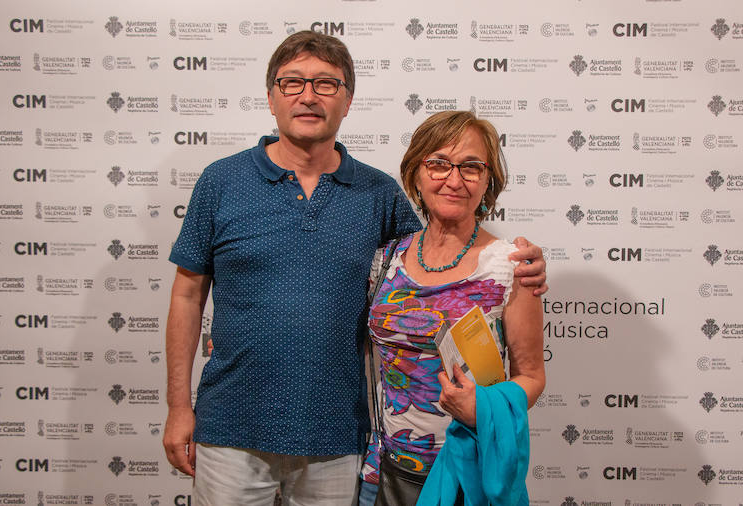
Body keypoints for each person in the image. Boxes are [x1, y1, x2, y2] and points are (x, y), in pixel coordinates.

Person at [162, 31, 547, 505]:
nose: (308, 95)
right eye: (292, 83)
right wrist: (179, 407)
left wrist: (523, 268)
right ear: (270, 97)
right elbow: (185, 295)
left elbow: (441, 253)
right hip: (230, 426)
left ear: (347, 102)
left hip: (342, 438)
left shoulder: (379, 194)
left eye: (326, 84)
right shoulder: (221, 182)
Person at [359, 111, 546, 504]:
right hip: (384, 468)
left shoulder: (511, 267)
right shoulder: (385, 259)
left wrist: (482, 408)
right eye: (439, 164)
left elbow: (531, 376)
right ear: (415, 173)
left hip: (466, 471)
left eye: (471, 167)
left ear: (488, 180)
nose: (454, 180)